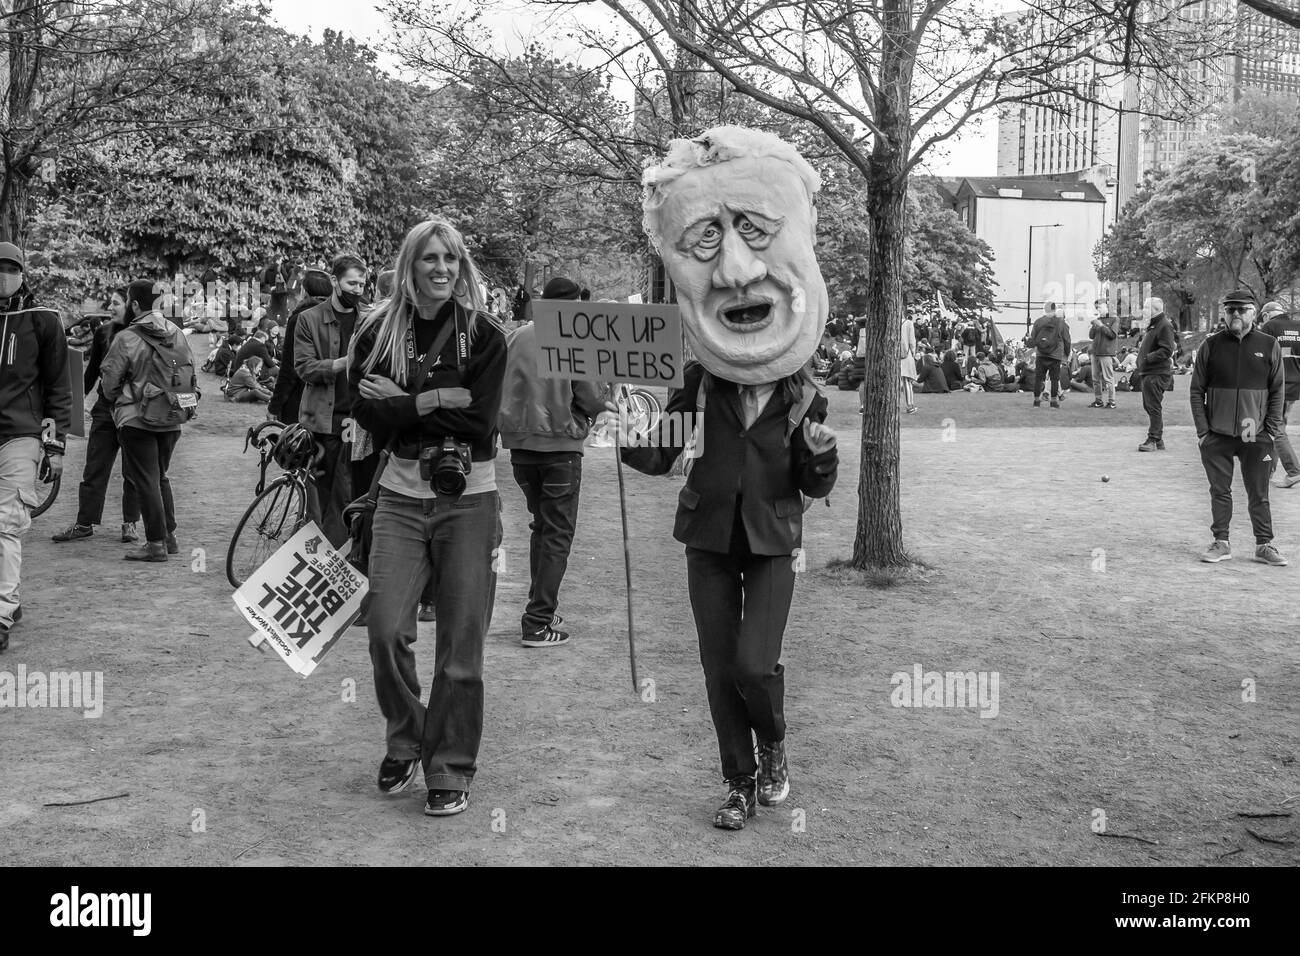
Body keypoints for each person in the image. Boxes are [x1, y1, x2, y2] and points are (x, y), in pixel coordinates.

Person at [631, 125, 839, 831]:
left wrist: (821, 450)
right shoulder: (699, 382)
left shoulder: (806, 393)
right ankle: (739, 782)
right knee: (719, 669)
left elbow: (814, 483)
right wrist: (617, 433)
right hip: (709, 536)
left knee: (755, 665)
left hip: (774, 535)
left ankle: (774, 742)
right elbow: (659, 455)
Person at [349, 217, 507, 817]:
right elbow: (362, 413)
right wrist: (438, 399)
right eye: (427, 259)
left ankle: (450, 767)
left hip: (470, 499)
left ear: (460, 265)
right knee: (386, 629)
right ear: (408, 266)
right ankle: (409, 735)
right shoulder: (378, 330)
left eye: (449, 258)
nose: (440, 268)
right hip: (397, 495)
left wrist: (401, 403)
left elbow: (480, 423)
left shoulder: (485, 335)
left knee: (461, 645)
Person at [498, 275, 610, 647]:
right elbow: (592, 398)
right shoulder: (577, 339)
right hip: (561, 446)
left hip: (520, 449)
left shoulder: (515, 336)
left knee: (542, 527)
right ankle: (537, 620)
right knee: (557, 534)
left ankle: (539, 609)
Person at [0, 242, 71, 651]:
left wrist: (55, 445)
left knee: (6, 522)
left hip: (20, 434)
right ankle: (9, 598)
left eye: (12, 268)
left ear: (24, 273)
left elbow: (59, 387)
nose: (5, 274)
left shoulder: (42, 320)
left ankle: (1, 612)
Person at [99, 279, 196, 562]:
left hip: (136, 418)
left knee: (146, 481)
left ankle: (155, 544)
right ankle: (169, 536)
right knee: (160, 477)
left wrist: (120, 398)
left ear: (136, 305)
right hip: (173, 416)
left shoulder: (127, 338)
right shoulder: (177, 333)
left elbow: (109, 384)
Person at [1190, 289, 1286, 565]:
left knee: (1259, 493)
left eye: (1242, 309)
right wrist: (1203, 432)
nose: (1235, 314)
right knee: (1220, 491)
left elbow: (1277, 391)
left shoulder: (1269, 345)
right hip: (1217, 434)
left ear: (1254, 313)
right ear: (1224, 312)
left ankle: (1264, 544)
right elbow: (1197, 391)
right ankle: (1221, 542)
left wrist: (1270, 429)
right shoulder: (1211, 345)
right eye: (1230, 309)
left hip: (1256, 435)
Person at [52, 287, 142, 545]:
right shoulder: (103, 332)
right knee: (94, 467)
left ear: (130, 306)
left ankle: (130, 524)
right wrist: (72, 402)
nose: (111, 308)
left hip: (132, 410)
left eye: (116, 303)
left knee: (132, 471)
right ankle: (84, 523)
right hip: (105, 409)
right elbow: (91, 374)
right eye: (110, 303)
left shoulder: (139, 335)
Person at [294, 254, 367, 547]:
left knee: (350, 494)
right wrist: (343, 363)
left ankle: (342, 557)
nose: (358, 290)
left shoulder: (370, 319)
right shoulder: (309, 319)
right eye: (352, 283)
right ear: (335, 281)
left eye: (362, 284)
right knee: (320, 499)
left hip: (359, 421)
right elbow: (303, 367)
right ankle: (316, 558)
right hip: (322, 421)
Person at [268, 267, 330, 425]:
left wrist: (275, 405)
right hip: (331, 399)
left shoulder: (301, 318)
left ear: (305, 291)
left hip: (302, 399)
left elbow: (290, 367)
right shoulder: (339, 315)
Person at [1258, 300, 1300, 489]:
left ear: (1266, 315)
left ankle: (1293, 471)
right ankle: (1268, 469)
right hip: (1296, 384)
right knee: (1278, 423)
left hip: (1276, 384)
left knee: (1275, 426)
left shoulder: (1269, 326)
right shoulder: (1298, 326)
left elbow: (1260, 356)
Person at [1136, 297, 1176, 452]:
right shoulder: (1154, 325)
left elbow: (1167, 350)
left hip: (1156, 372)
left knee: (1153, 406)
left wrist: (1148, 358)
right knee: (1149, 406)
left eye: (1146, 307)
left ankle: (1153, 439)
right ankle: (1157, 439)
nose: (1144, 310)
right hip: (1149, 371)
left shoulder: (1164, 325)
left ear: (1155, 310)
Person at [1029, 302, 1070, 408]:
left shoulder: (1038, 322)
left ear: (1044, 309)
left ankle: (1036, 402)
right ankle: (1053, 402)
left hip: (1041, 354)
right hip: (1055, 355)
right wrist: (1067, 353)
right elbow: (1067, 340)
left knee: (1039, 378)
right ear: (1055, 309)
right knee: (1054, 379)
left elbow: (1032, 338)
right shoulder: (1061, 323)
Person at [1088, 300, 1119, 408]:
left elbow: (1112, 335)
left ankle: (1112, 401)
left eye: (1100, 307)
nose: (1098, 310)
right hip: (1095, 352)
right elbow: (1091, 336)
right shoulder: (1098, 320)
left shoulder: (1114, 319)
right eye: (1098, 308)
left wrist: (1101, 325)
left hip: (1106, 352)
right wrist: (1093, 325)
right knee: (1095, 378)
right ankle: (1098, 400)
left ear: (1107, 308)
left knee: (1108, 378)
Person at [899, 311, 918, 413]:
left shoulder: (891, 323)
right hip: (906, 354)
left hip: (894, 355)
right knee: (907, 381)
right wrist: (914, 352)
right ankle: (909, 405)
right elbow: (912, 340)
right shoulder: (908, 323)